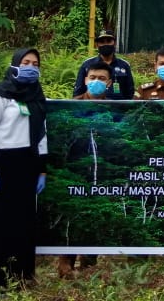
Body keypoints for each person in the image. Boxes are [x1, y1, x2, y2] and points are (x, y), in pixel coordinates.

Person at [0, 48, 49, 291]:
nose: (31, 67)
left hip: (27, 164)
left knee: (22, 222)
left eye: (35, 63)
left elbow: (41, 133)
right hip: (0, 164)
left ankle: (20, 277)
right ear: (15, 64)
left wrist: (42, 169)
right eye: (26, 62)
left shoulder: (36, 96)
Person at [56, 59, 112, 278]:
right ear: (85, 80)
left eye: (101, 78)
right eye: (92, 78)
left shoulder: (117, 108)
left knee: (93, 218)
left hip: (101, 174)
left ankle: (89, 267)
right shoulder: (70, 106)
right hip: (73, 173)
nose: (96, 82)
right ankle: (65, 265)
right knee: (70, 217)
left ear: (109, 83)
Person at [73, 30, 134, 100]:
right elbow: (78, 92)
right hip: (93, 106)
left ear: (114, 43)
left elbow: (130, 93)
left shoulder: (124, 65)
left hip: (118, 107)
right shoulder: (87, 65)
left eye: (108, 41)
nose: (105, 44)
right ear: (97, 45)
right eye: (102, 42)